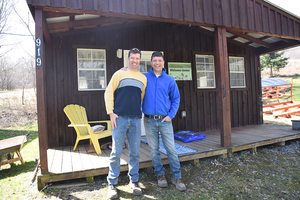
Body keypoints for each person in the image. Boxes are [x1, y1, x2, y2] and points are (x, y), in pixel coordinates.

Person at [104, 48, 147, 199]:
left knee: (135, 152)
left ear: (139, 60)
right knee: (116, 152)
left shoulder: (143, 78)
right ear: (128, 59)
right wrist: (111, 112)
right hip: (120, 118)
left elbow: (140, 97)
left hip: (135, 119)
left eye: (137, 58)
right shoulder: (119, 74)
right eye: (132, 58)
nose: (135, 60)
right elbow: (108, 92)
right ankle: (112, 184)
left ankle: (134, 181)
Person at [142, 51, 186, 191]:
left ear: (163, 62)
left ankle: (176, 177)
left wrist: (171, 115)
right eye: (154, 60)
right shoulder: (144, 77)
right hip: (149, 121)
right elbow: (131, 77)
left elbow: (176, 99)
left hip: (165, 121)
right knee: (154, 150)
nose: (157, 63)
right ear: (151, 62)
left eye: (159, 60)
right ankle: (160, 175)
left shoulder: (169, 80)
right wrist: (123, 70)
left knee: (171, 150)